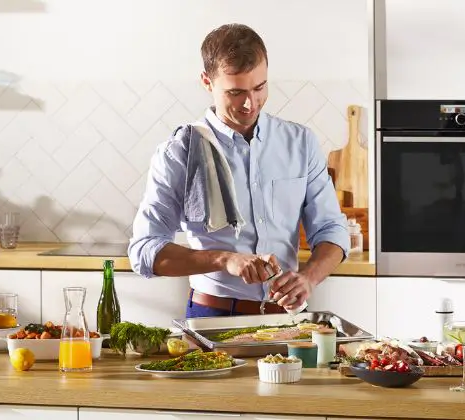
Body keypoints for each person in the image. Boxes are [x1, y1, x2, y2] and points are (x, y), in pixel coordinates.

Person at [127, 23, 350, 318]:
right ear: (207, 82)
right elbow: (144, 251)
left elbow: (332, 229)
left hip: (286, 319)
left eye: (259, 88)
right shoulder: (180, 151)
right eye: (235, 92)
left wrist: (308, 278)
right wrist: (225, 260)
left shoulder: (300, 143)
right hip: (212, 316)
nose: (250, 103)